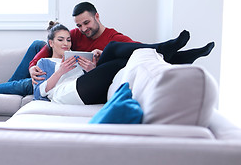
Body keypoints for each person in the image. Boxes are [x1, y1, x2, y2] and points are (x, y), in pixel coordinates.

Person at [0, 1, 135, 95]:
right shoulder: (75, 35)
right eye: (79, 25)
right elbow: (52, 43)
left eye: (86, 23)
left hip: (73, 81)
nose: (83, 29)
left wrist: (104, 56)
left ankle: (0, 89)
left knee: (25, 85)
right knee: (38, 45)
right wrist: (32, 66)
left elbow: (137, 52)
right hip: (55, 73)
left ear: (97, 16)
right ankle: (6, 89)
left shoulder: (115, 39)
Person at [34, 23, 215, 105]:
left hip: (87, 86)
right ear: (51, 43)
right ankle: (168, 52)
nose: (66, 43)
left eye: (68, 40)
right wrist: (60, 72)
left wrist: (92, 68)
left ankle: (173, 55)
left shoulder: (76, 56)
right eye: (60, 40)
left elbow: (92, 77)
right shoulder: (44, 63)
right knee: (115, 55)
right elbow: (38, 93)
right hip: (69, 93)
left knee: (114, 52)